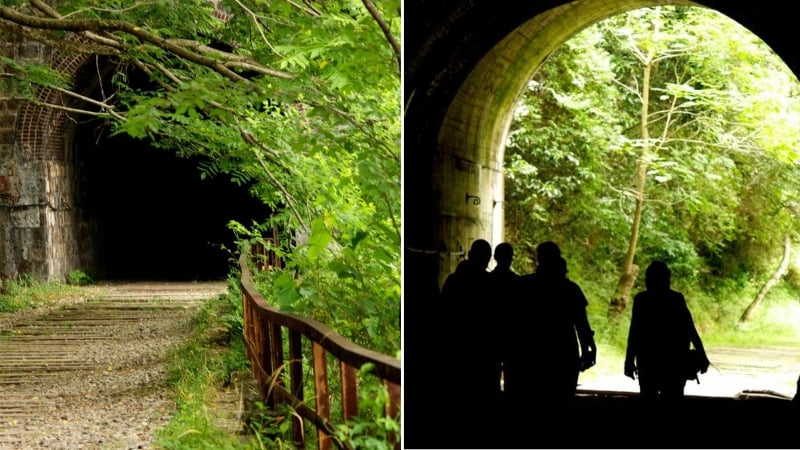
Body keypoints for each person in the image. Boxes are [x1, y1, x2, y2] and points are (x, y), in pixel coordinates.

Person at [504, 241, 597, 419]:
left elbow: (511, 322)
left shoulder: (523, 286)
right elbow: (581, 324)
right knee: (560, 405)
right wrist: (589, 348)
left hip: (529, 354)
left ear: (539, 258)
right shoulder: (571, 289)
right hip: (563, 353)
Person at [624, 260, 710, 409]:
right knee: (673, 401)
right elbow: (690, 329)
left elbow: (635, 333)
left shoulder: (642, 300)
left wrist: (629, 360)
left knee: (648, 400)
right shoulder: (676, 299)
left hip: (648, 360)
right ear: (666, 279)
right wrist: (702, 355)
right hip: (674, 360)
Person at [437, 239, 496, 434]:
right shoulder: (490, 285)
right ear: (488, 258)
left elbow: (443, 314)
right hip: (484, 353)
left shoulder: (453, 281)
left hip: (456, 350)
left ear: (470, 255)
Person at [487, 242, 521, 398]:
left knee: (490, 374)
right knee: (513, 377)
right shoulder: (518, 283)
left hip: (491, 334)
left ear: (494, 258)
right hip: (512, 336)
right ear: (511, 259)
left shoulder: (486, 282)